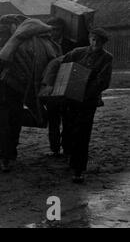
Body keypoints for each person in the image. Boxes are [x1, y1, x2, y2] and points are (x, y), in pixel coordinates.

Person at [41, 28, 113, 183]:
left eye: (99, 41)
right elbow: (57, 63)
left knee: (82, 134)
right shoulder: (77, 52)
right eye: (93, 39)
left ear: (103, 43)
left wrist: (84, 93)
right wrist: (50, 84)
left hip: (88, 102)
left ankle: (78, 169)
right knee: (69, 130)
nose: (95, 43)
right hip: (69, 100)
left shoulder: (106, 58)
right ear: (89, 39)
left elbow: (103, 81)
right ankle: (69, 158)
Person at [0, 15, 27, 172]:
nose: (0, 40)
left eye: (4, 36)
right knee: (2, 129)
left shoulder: (17, 53)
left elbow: (25, 72)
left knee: (14, 127)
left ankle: (11, 152)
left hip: (15, 96)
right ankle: (4, 158)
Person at [45, 18, 69, 157]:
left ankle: (66, 147)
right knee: (53, 120)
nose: (54, 32)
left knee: (67, 119)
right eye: (52, 29)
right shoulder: (45, 45)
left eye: (57, 29)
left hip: (66, 87)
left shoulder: (69, 45)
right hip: (51, 87)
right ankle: (54, 148)